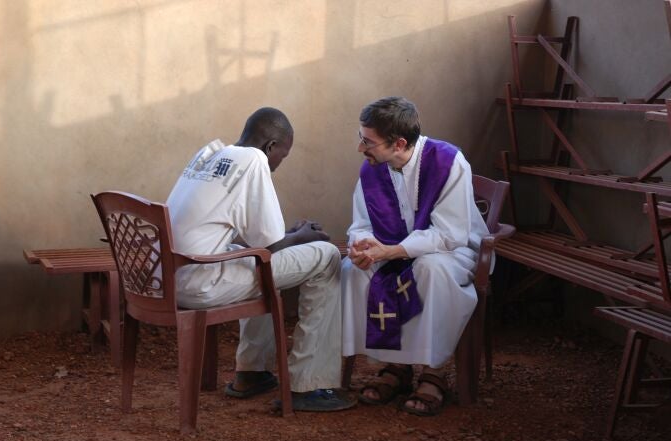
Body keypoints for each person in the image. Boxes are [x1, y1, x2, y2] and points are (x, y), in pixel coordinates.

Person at [166, 107, 356, 411]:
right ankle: (309, 385)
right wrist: (305, 235)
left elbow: (259, 240)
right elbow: (271, 246)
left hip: (173, 275)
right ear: (270, 147)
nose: (280, 162)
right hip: (201, 282)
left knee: (265, 260)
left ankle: (252, 372)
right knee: (327, 256)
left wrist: (292, 235)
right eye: (283, 154)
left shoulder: (210, 154)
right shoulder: (254, 160)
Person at [341, 96, 489, 416]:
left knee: (429, 271)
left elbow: (451, 234)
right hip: (394, 248)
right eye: (360, 138)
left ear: (399, 144)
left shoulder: (449, 161)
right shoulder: (372, 169)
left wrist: (392, 250)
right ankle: (395, 367)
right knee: (352, 271)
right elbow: (362, 223)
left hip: (452, 250)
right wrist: (361, 246)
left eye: (368, 141)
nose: (360, 148)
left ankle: (434, 373)